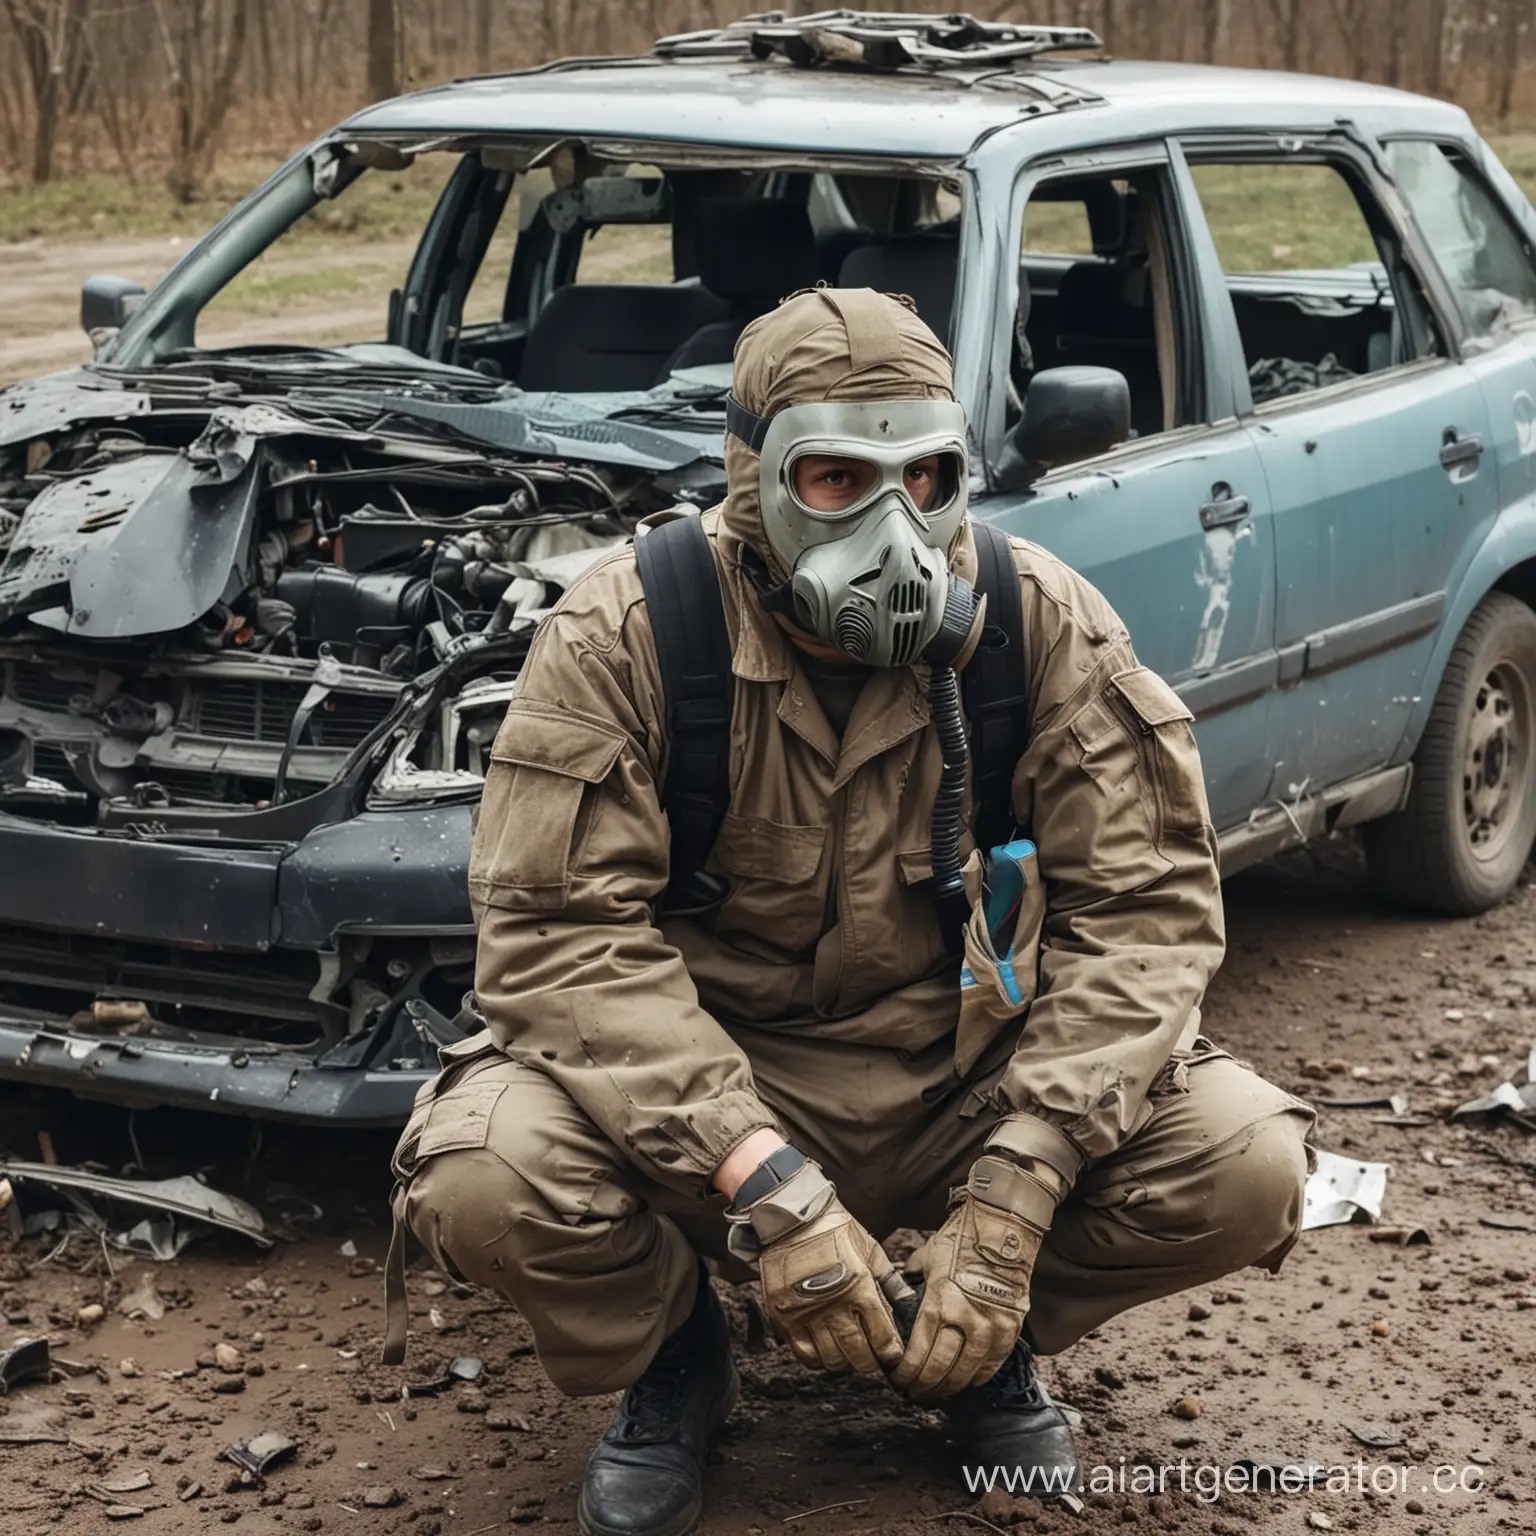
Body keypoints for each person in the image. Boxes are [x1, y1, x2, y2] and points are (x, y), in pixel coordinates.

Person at [386, 287, 1314, 1536]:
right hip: (714, 1086)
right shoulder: (628, 628)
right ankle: (675, 1356)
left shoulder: (1036, 621)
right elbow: (559, 939)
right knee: (482, 1171)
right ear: (752, 476)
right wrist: (760, 1175)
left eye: (926, 476)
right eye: (833, 477)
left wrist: (1019, 1187)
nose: (893, 522)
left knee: (1246, 1159)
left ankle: (972, 1339)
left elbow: (1147, 917)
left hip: (962, 1076)